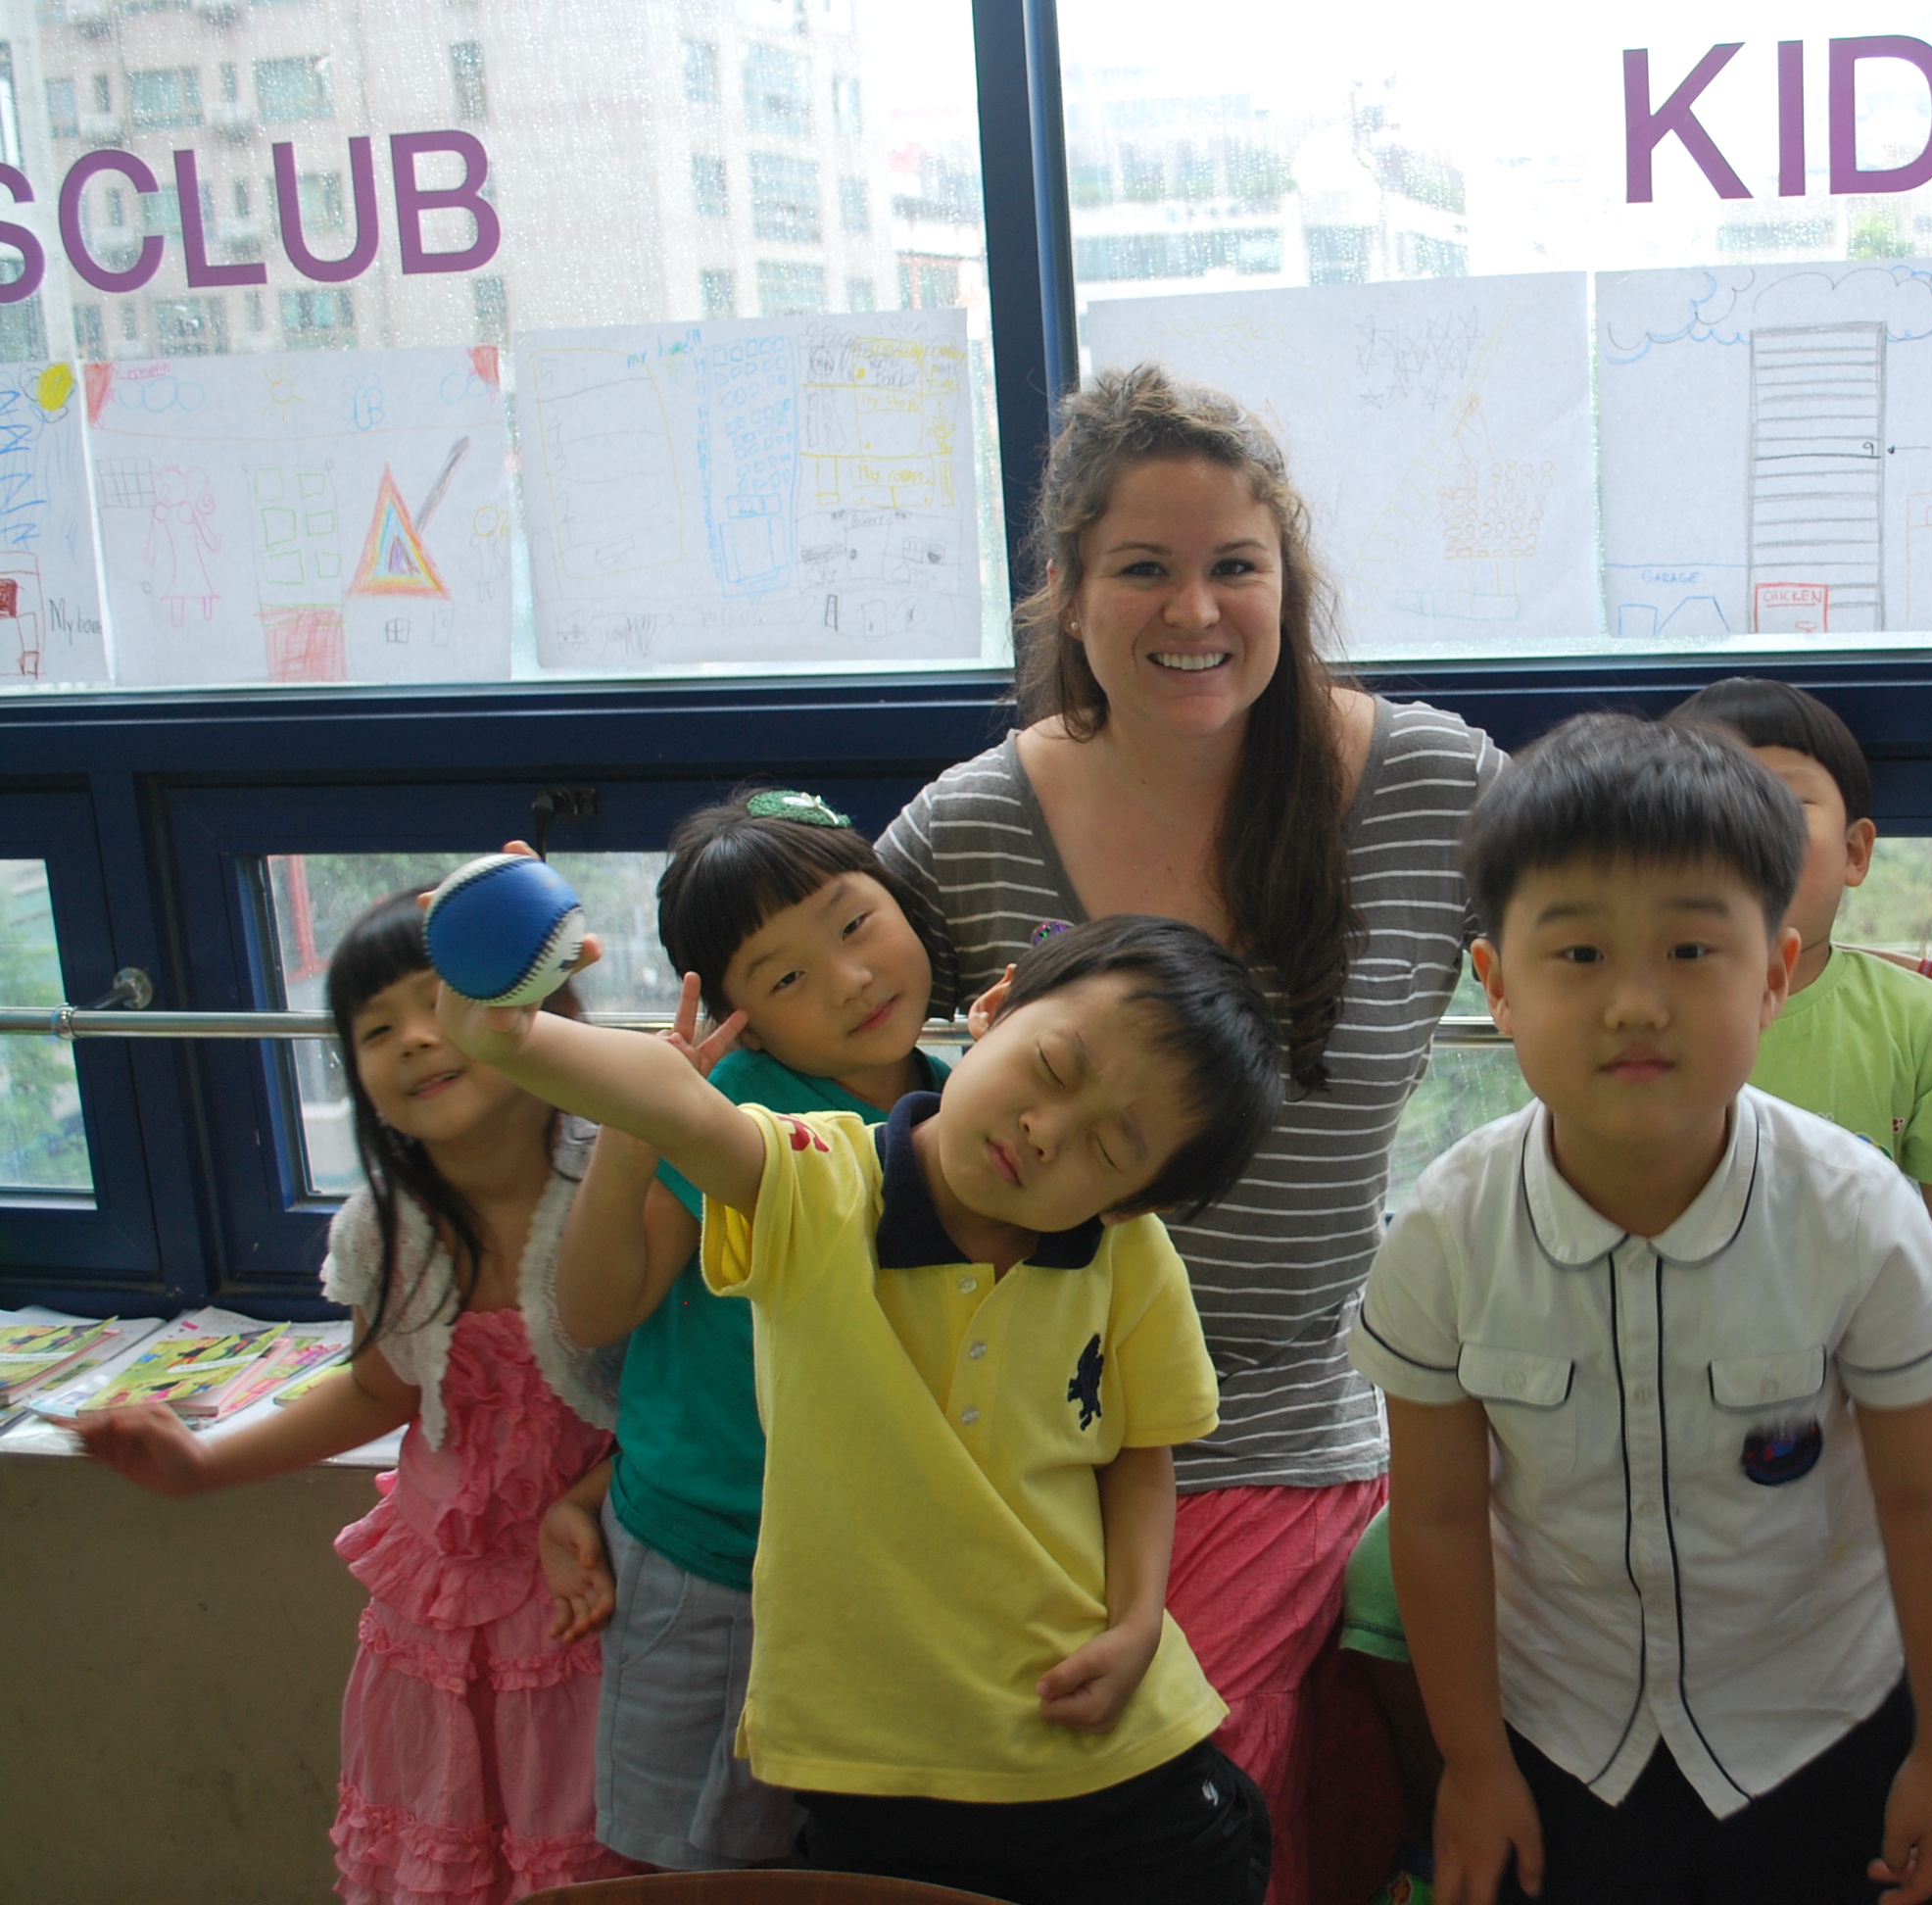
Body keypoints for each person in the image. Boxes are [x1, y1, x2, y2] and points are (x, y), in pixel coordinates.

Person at [876, 365, 1932, 1905]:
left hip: (1278, 1417)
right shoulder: (969, 826)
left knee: (1181, 1794)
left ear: (1291, 584)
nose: (1193, 609)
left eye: (1237, 566)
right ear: (1066, 594)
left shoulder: (1417, 782)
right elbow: (808, 1007)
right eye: (1142, 567)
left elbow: (1652, 904)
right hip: (1020, 1407)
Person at [1335, 678, 1932, 1905]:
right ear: (1497, 982)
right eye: (1577, 953)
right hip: (1557, 1727)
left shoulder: (1856, 1216)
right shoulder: (1449, 1230)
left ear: (1775, 973)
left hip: (1815, 1719)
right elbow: (1430, 1519)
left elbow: (1928, 1505)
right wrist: (1470, 1764)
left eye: (1692, 950)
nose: (1636, 1000)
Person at [439, 907, 1286, 1905]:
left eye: (1110, 1149)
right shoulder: (822, 1185)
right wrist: (502, 1028)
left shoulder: (1128, 1259)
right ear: (997, 1007)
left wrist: (1140, 1619)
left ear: (1130, 1202)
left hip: (1103, 1747)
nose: (1047, 1132)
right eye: (1054, 1071)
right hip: (866, 1757)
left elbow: (1138, 1452)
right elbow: (678, 1109)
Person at [76, 890, 635, 1905]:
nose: (417, 1041)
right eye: (378, 1030)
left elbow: (695, 1400)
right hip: (440, 1623)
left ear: (530, 1011)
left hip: (601, 1603)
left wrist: (592, 1496)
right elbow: (377, 1388)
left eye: (442, 1002)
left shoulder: (622, 1169)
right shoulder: (386, 1228)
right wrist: (202, 1466)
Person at [531, 788, 946, 1871]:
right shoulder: (735, 1108)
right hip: (715, 1557)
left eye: (857, 924)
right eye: (788, 975)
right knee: (698, 1863)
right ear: (737, 1012)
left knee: (858, 1859)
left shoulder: (961, 1099)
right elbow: (591, 1312)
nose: (852, 979)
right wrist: (643, 1118)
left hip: (883, 1568)